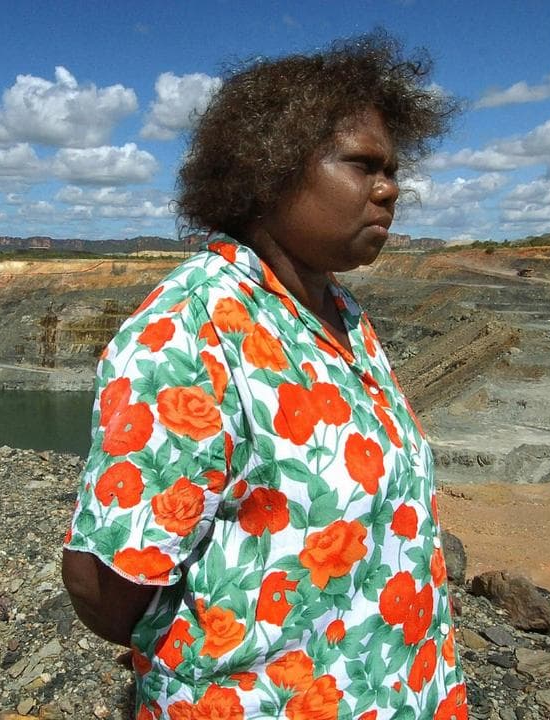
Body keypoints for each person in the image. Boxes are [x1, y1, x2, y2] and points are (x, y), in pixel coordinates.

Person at [62, 33, 466, 720]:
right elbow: (107, 589)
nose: (390, 188)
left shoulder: (337, 310)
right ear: (269, 170)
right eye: (362, 164)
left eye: (394, 168)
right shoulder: (191, 331)